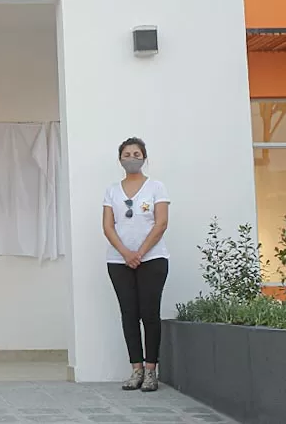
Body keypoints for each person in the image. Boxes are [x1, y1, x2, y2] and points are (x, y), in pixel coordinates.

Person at [102, 137, 171, 393]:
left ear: (144, 157)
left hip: (152, 260)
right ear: (120, 159)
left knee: (149, 314)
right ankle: (136, 369)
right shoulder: (112, 190)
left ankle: (151, 371)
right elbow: (108, 226)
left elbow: (161, 223)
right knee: (129, 314)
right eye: (127, 154)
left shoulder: (156, 187)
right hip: (119, 262)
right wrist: (125, 253)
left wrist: (139, 253)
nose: (132, 158)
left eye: (137, 153)